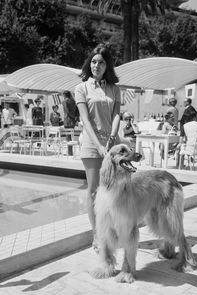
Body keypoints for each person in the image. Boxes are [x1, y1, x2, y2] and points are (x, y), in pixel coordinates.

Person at [74, 43, 121, 252]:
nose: (96, 65)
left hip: (112, 145)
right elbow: (85, 119)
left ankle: (111, 230)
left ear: (107, 66)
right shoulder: (81, 88)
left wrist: (111, 138)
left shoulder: (114, 89)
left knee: (113, 190)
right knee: (94, 191)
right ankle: (96, 235)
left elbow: (117, 115)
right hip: (92, 146)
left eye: (101, 62)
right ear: (89, 64)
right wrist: (98, 145)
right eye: (93, 61)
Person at [62, 90, 80, 155]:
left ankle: (69, 152)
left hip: (67, 120)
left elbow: (67, 111)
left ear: (64, 95)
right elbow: (77, 111)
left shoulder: (64, 101)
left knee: (68, 136)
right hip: (73, 122)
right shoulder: (73, 101)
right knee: (71, 136)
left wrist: (72, 117)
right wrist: (75, 119)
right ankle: (70, 151)